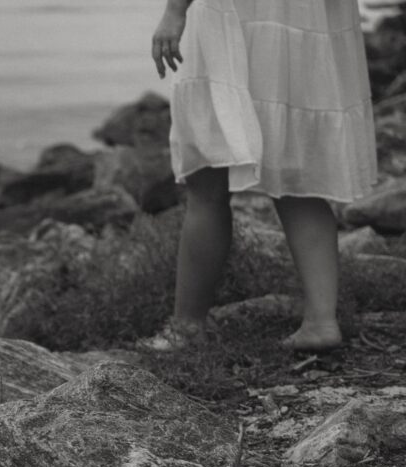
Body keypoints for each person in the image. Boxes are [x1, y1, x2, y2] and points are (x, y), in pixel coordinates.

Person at [141, 0, 378, 352]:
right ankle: (321, 322)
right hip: (304, 17)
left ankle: (186, 328)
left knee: (207, 184)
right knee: (296, 177)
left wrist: (175, 10)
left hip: (234, 14)